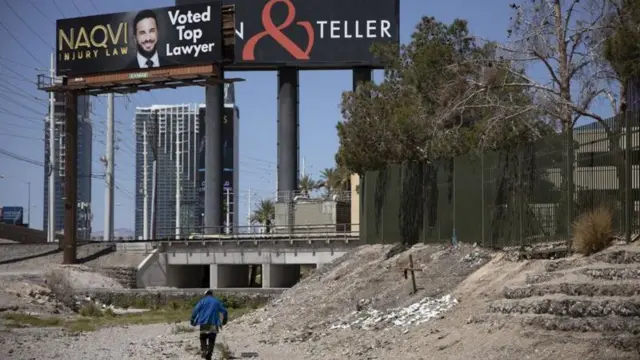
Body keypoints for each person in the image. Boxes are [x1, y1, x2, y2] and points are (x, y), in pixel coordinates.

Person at [191, 289, 228, 360]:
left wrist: (193, 320)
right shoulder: (217, 301)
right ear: (212, 294)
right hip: (214, 322)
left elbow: (195, 310)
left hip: (204, 322)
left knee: (203, 337)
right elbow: (224, 311)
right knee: (212, 339)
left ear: (205, 295)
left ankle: (204, 349)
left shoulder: (202, 301)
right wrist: (224, 320)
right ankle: (209, 355)